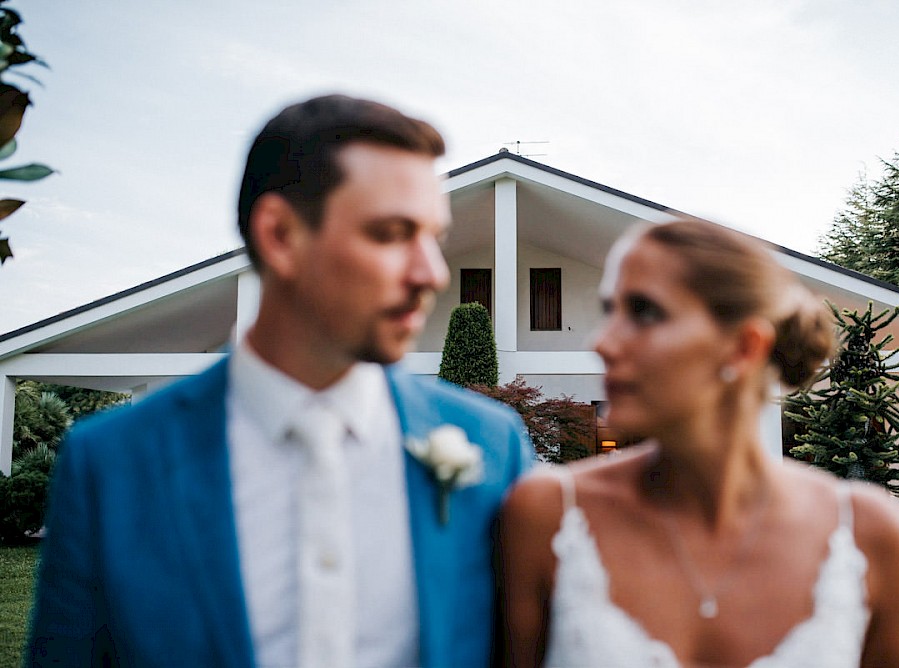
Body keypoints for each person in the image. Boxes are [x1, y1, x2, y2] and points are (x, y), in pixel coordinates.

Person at [28, 94, 534, 667]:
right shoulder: (109, 464)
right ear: (280, 235)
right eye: (391, 233)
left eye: (433, 238)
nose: (432, 274)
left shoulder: (496, 447)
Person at [499, 218, 899, 667]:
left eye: (644, 312)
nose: (602, 342)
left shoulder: (869, 534)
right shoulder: (548, 514)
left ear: (744, 347)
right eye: (610, 311)